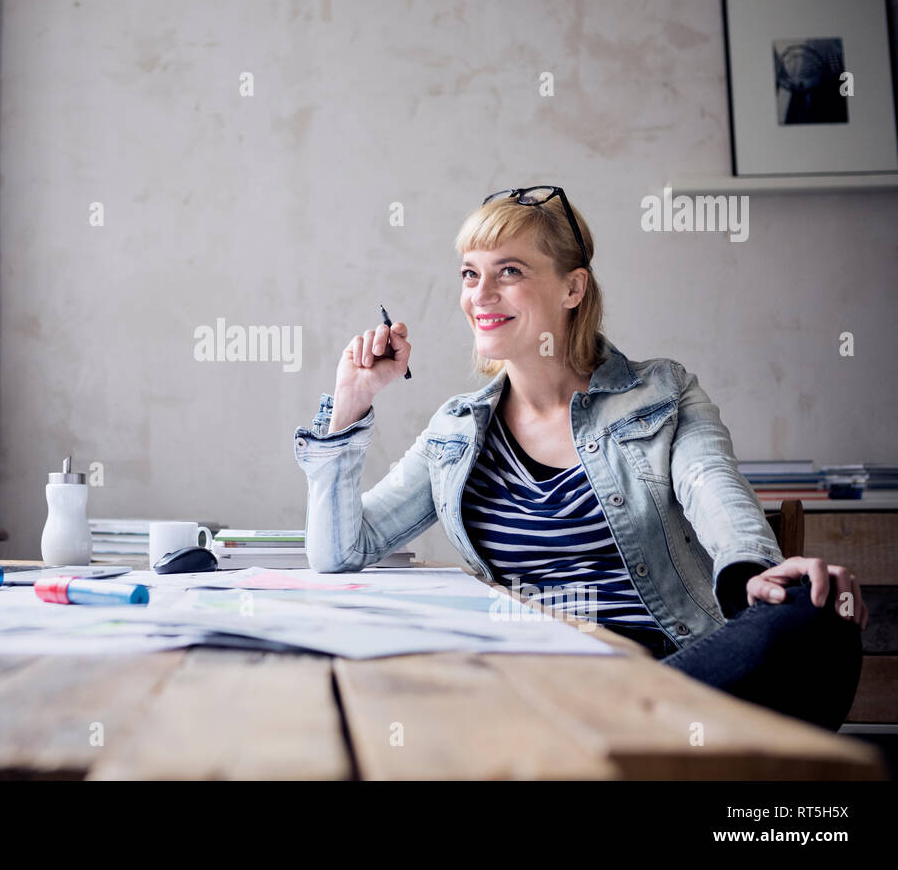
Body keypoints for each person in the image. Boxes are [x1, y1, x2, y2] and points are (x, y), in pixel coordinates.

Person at [292, 185, 866, 732]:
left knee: (817, 613)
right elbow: (339, 553)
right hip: (530, 682)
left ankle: (604, 733)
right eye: (471, 274)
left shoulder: (661, 394)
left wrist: (760, 575)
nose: (480, 295)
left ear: (573, 288)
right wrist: (351, 403)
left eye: (509, 272)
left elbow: (717, 493)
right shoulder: (457, 430)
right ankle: (607, 737)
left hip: (675, 673)